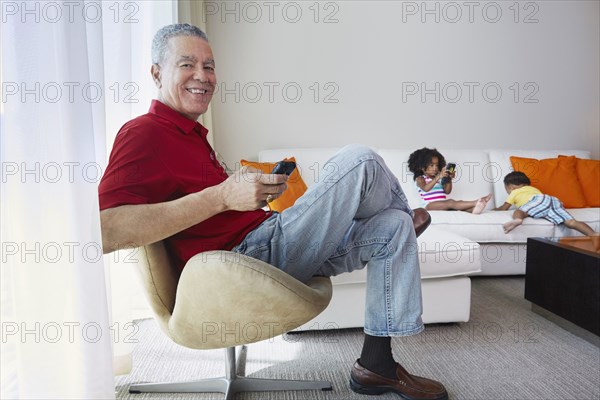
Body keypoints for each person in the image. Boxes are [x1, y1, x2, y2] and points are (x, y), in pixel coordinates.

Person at [98, 23, 448, 400]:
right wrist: (221, 197)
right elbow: (107, 230)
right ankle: (399, 210)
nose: (203, 76)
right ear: (156, 73)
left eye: (210, 66)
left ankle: (375, 366)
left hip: (268, 239)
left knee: (393, 227)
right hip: (245, 261)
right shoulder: (143, 133)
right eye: (187, 64)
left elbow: (214, 211)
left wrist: (251, 198)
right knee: (359, 159)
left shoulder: (190, 135)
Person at [493, 171, 598, 236]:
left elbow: (504, 208)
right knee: (571, 222)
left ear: (510, 187)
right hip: (551, 200)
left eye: (507, 190)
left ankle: (518, 220)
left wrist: (493, 210)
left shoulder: (515, 192)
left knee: (520, 211)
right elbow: (542, 205)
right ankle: (593, 234)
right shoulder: (532, 188)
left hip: (537, 200)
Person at [408, 147, 492, 213]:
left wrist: (449, 178)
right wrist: (439, 176)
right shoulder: (420, 178)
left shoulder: (439, 178)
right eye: (431, 165)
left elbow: (447, 191)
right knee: (451, 202)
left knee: (455, 206)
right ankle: (476, 202)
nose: (435, 168)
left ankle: (475, 209)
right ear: (422, 167)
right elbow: (425, 188)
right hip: (428, 206)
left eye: (437, 165)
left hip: (443, 204)